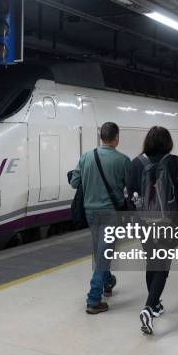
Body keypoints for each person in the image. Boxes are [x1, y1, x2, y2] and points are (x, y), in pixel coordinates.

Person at [129, 126, 178, 335]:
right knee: (162, 265)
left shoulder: (136, 163)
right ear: (168, 143)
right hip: (169, 222)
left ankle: (155, 304)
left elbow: (128, 197)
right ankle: (148, 308)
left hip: (143, 223)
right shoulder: (175, 162)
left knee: (152, 262)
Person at [70, 122, 131, 315]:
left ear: (100, 137)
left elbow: (74, 183)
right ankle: (93, 300)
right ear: (117, 137)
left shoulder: (87, 157)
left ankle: (108, 282)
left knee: (100, 252)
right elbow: (131, 186)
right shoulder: (123, 160)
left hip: (90, 212)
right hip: (110, 212)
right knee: (104, 255)